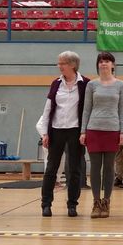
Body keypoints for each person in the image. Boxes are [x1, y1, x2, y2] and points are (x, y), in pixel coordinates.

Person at [37, 51, 89, 218]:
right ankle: (46, 204)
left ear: (73, 65)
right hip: (56, 130)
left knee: (74, 169)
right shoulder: (55, 84)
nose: (59, 66)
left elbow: (88, 110)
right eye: (59, 63)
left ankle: (72, 205)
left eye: (63, 63)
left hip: (75, 131)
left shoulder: (86, 84)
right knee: (51, 168)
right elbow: (47, 110)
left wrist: (85, 131)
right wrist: (45, 133)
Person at [80, 52, 123, 218]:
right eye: (101, 61)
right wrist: (83, 131)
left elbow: (122, 110)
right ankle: (96, 202)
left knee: (109, 168)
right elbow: (86, 109)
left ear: (113, 65)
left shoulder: (121, 85)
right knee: (94, 168)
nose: (103, 64)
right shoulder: (92, 85)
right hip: (94, 129)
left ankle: (106, 202)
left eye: (107, 61)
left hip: (112, 129)